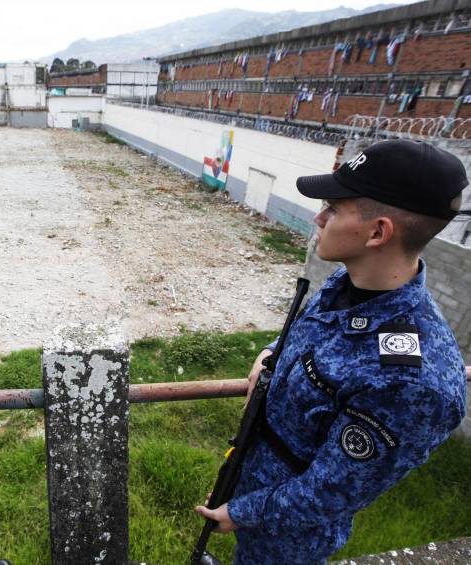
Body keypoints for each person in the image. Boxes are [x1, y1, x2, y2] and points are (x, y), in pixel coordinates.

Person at [195, 139, 468, 564]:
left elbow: (332, 492)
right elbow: (313, 338)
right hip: (255, 474)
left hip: (291, 534)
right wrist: (269, 354)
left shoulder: (412, 381)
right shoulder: (349, 284)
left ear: (378, 232)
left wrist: (243, 512)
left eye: (334, 209)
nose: (319, 217)